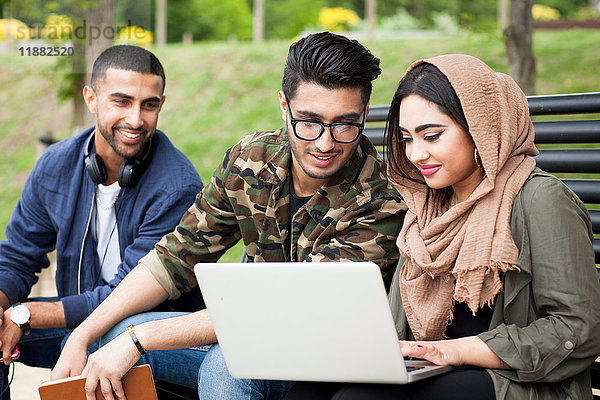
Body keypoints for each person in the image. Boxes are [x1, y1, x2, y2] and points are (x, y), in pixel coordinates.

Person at [51, 31, 406, 400]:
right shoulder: (250, 159)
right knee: (110, 340)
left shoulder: (381, 200)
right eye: (309, 121)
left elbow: (288, 307)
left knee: (226, 365)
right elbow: (173, 259)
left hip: (331, 357)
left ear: (364, 113)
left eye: (344, 124)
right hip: (247, 334)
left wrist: (140, 340)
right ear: (284, 106)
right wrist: (83, 334)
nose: (325, 143)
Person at [284, 54, 600, 400]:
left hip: (517, 382)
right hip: (432, 367)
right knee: (307, 391)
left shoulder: (541, 200)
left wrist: (459, 351)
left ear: (480, 127)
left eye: (431, 136)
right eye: (407, 139)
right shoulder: (427, 206)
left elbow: (579, 329)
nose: (416, 154)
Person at [0, 45, 204, 398]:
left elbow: (121, 296)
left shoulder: (177, 187)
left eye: (149, 105)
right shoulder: (55, 166)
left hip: (140, 328)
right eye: (121, 102)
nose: (136, 120)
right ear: (91, 98)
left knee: (113, 338)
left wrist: (25, 315)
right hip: (78, 323)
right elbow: (18, 256)